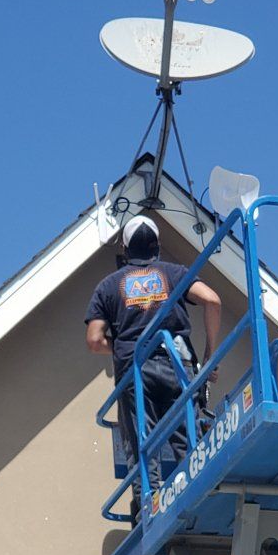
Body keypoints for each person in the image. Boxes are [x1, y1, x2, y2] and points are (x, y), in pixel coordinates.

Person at [85, 215, 221, 522]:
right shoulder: (174, 273)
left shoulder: (108, 286)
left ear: (124, 248)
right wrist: (209, 355)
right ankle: (197, 494)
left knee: (142, 440)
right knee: (187, 438)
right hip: (177, 364)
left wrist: (124, 348)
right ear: (156, 246)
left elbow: (94, 340)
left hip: (136, 371)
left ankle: (149, 505)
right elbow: (212, 301)